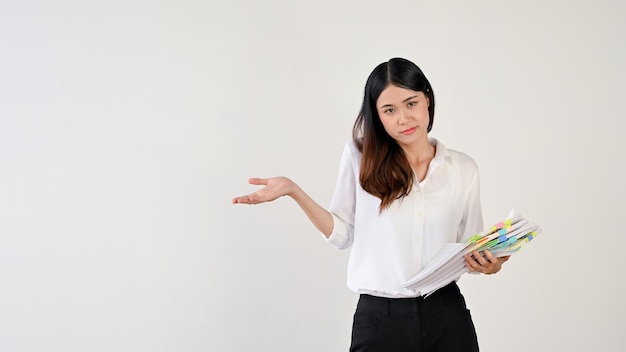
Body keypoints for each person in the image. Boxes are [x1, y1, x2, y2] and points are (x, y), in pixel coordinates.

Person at [232, 57, 510, 352]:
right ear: (377, 115)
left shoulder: (463, 168)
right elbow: (341, 234)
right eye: (389, 110)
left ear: (427, 99)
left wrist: (488, 265)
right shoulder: (360, 156)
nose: (403, 118)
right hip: (381, 320)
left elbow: (469, 249)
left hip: (446, 314)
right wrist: (293, 191)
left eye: (411, 103)